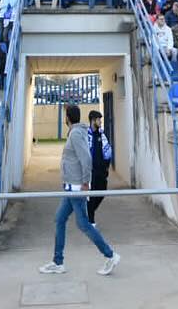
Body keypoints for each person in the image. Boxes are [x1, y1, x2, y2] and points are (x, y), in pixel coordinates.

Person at [38, 104, 120, 277]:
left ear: (67, 117)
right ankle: (58, 262)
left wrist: (85, 183)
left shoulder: (75, 134)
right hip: (70, 187)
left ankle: (110, 255)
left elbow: (86, 158)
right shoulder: (76, 132)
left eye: (65, 115)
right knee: (59, 219)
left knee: (83, 224)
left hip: (76, 188)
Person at [86, 109, 112, 224]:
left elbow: (108, 150)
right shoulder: (87, 135)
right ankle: (91, 220)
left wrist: (106, 166)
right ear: (92, 120)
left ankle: (89, 211)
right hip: (91, 170)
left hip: (101, 170)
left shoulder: (101, 134)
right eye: (98, 119)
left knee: (102, 191)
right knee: (91, 195)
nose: (100, 121)